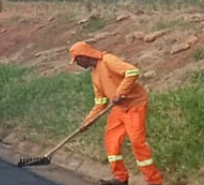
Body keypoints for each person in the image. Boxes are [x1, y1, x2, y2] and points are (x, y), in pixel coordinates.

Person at [70, 41, 163, 185]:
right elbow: (100, 102)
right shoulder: (95, 75)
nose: (76, 63)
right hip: (119, 109)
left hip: (134, 105)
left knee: (137, 143)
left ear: (84, 56)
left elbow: (132, 71)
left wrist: (120, 92)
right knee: (111, 141)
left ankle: (154, 181)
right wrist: (87, 122)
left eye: (76, 60)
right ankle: (120, 178)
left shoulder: (108, 60)